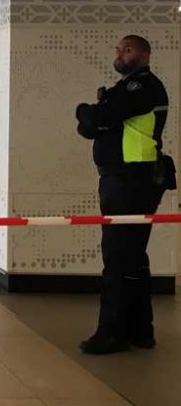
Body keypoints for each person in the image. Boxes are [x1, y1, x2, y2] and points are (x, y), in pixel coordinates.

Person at [75, 34, 173, 355]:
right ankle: (140, 330)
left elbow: (96, 119)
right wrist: (92, 117)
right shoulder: (126, 88)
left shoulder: (140, 87)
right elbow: (90, 127)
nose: (120, 54)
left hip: (132, 178)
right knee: (132, 257)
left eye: (127, 49)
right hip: (128, 177)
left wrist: (85, 110)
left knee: (117, 257)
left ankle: (112, 332)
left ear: (144, 54)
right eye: (118, 49)